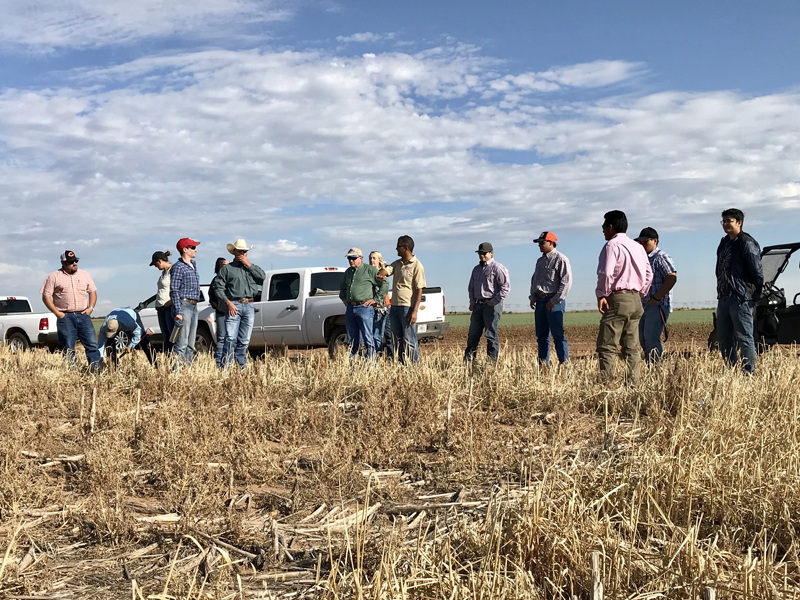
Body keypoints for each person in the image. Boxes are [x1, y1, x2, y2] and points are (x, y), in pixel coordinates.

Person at [595, 211, 653, 384]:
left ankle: (606, 385)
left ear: (611, 227)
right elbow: (649, 274)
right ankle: (633, 385)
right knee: (631, 347)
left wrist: (602, 294)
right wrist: (640, 293)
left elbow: (606, 273)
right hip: (636, 300)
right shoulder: (637, 247)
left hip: (618, 299)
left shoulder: (612, 245)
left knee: (607, 345)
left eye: (604, 226)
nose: (603, 230)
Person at [715, 208, 763, 373]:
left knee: (744, 337)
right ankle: (731, 371)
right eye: (724, 221)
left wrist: (755, 292)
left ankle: (748, 374)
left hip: (740, 296)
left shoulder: (746, 242)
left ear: (739, 222)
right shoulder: (724, 243)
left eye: (730, 221)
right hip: (724, 296)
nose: (726, 224)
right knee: (724, 337)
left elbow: (756, 270)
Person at [40, 250, 102, 370]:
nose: (74, 263)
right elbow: (46, 297)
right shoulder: (54, 277)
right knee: (68, 347)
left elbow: (93, 291)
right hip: (65, 317)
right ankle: (72, 371)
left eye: (75, 261)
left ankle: (95, 369)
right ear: (63, 263)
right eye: (70, 262)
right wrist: (58, 313)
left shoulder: (85, 275)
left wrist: (90, 308)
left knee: (92, 344)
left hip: (84, 315)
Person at [211, 240, 266, 369]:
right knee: (230, 337)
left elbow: (262, 277)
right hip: (234, 304)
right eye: (240, 251)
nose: (242, 253)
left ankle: (242, 366)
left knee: (245, 339)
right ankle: (227, 367)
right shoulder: (227, 269)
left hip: (249, 305)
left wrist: (248, 264)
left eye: (244, 251)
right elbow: (217, 287)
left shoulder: (251, 268)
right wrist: (228, 303)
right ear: (234, 252)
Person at [377, 236, 426, 364]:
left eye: (398, 246)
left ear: (406, 248)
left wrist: (415, 311)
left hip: (407, 307)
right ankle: (401, 365)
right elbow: (387, 270)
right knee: (396, 339)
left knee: (409, 339)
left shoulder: (417, 265)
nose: (396, 248)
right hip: (394, 306)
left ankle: (414, 366)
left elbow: (420, 289)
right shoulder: (397, 263)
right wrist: (381, 273)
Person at [634, 228, 678, 363]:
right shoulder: (643, 259)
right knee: (642, 338)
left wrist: (656, 298)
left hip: (657, 305)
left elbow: (671, 277)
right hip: (644, 305)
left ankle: (656, 370)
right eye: (639, 241)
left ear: (655, 241)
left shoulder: (661, 257)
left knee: (651, 337)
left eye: (644, 241)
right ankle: (651, 366)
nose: (641, 244)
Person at [529, 232, 572, 365]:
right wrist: (533, 296)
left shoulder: (561, 259)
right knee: (541, 336)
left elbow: (566, 282)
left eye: (542, 243)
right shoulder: (540, 261)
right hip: (540, 301)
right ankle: (543, 364)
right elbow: (535, 280)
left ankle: (564, 363)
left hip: (553, 301)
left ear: (551, 243)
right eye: (538, 243)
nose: (539, 245)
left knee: (558, 335)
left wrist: (554, 301)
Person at [464, 242, 510, 362]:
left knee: (490, 335)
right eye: (480, 253)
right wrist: (472, 302)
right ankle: (469, 362)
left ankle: (491, 363)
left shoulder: (498, 268)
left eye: (484, 253)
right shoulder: (476, 269)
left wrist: (493, 301)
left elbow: (505, 288)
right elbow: (471, 287)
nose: (482, 256)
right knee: (473, 335)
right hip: (478, 305)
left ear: (491, 253)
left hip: (492, 306)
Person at [339, 247, 384, 360]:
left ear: (360, 258)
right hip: (350, 308)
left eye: (353, 258)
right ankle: (353, 363)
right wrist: (344, 298)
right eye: (349, 258)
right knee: (351, 339)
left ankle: (370, 363)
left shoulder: (370, 270)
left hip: (364, 308)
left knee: (368, 337)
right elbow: (342, 287)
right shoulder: (348, 272)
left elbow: (384, 285)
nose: (351, 260)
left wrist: (375, 299)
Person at [169, 237, 201, 367]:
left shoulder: (193, 265)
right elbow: (174, 290)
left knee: (190, 343)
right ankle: (176, 372)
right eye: (193, 247)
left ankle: (187, 370)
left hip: (194, 306)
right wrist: (178, 311)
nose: (196, 250)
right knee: (181, 343)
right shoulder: (178, 267)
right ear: (185, 249)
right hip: (184, 305)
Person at [149, 250, 175, 354]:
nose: (156, 267)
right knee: (165, 334)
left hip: (169, 306)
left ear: (160, 261)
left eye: (155, 264)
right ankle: (168, 357)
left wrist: (172, 301)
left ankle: (174, 356)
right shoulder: (163, 273)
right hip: (160, 307)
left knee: (171, 334)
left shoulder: (173, 270)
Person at [368, 251, 393, 357]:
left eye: (374, 258)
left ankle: (391, 359)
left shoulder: (383, 272)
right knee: (377, 335)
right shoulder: (369, 274)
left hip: (387, 307)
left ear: (379, 260)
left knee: (389, 335)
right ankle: (378, 358)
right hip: (377, 308)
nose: (372, 260)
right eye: (370, 258)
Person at [208, 257, 230, 368]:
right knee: (222, 337)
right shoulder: (216, 280)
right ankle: (219, 363)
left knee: (230, 337)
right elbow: (211, 296)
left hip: (232, 311)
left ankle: (228, 361)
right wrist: (218, 307)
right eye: (224, 264)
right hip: (221, 312)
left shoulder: (231, 279)